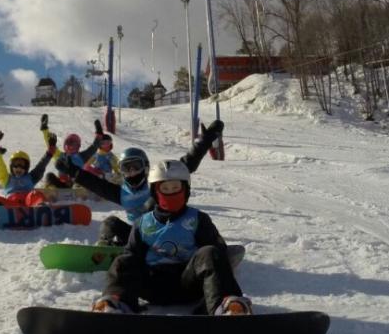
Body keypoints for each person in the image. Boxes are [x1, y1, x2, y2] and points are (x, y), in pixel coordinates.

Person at [91, 158, 252, 316]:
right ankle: (116, 304)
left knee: (209, 252)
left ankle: (227, 307)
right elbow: (132, 256)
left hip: (188, 285)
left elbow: (217, 255)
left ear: (185, 189)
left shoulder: (198, 219)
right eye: (165, 189)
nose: (170, 193)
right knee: (124, 260)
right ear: (155, 191)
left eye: (175, 188)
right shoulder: (142, 223)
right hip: (152, 286)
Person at [55, 120, 224, 246]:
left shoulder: (155, 183)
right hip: (140, 238)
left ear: (145, 167)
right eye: (126, 168)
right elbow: (95, 184)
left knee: (160, 206)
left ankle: (213, 246)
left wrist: (205, 140)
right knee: (111, 223)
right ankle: (105, 250)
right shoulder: (121, 193)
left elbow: (186, 164)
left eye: (135, 166)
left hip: (166, 232)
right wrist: (73, 171)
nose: (131, 172)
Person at [0, 130, 57, 206]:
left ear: (26, 167)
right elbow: (0, 166)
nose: (19, 168)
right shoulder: (6, 178)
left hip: (28, 203)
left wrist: (50, 152)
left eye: (22, 165)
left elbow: (41, 166)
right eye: (16, 165)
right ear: (11, 166)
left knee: (36, 194)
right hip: (12, 203)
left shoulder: (31, 177)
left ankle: (39, 207)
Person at [41, 115, 103, 189]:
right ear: (65, 144)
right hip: (62, 185)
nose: (70, 146)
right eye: (69, 143)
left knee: (87, 178)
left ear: (78, 146)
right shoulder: (61, 155)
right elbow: (50, 145)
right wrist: (45, 130)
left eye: (73, 144)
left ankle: (81, 190)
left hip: (77, 183)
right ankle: (51, 190)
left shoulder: (82, 156)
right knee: (49, 176)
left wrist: (99, 133)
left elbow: (94, 147)